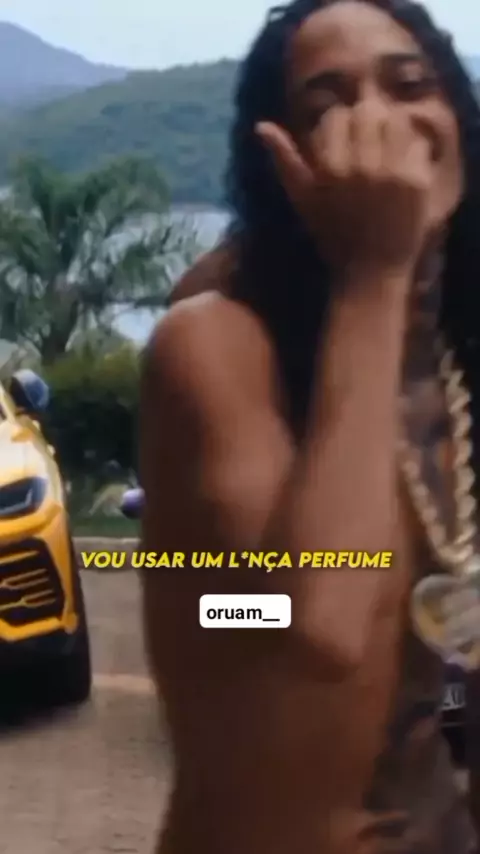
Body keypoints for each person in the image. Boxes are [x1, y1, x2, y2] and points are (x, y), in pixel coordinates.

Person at [140, 1, 480, 852]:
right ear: (283, 160)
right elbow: (307, 617)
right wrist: (376, 271)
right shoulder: (214, 343)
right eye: (329, 105)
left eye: (410, 85)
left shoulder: (457, 352)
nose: (378, 123)